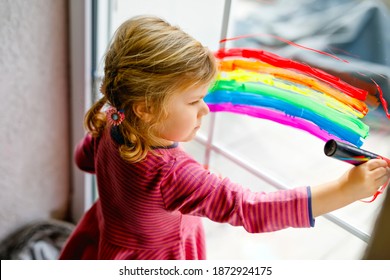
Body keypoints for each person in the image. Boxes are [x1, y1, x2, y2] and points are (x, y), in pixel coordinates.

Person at [59, 15, 390, 260]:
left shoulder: (111, 117)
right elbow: (252, 209)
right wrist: (349, 189)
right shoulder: (173, 175)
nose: (205, 110)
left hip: (108, 243)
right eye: (193, 101)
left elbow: (83, 160)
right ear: (145, 109)